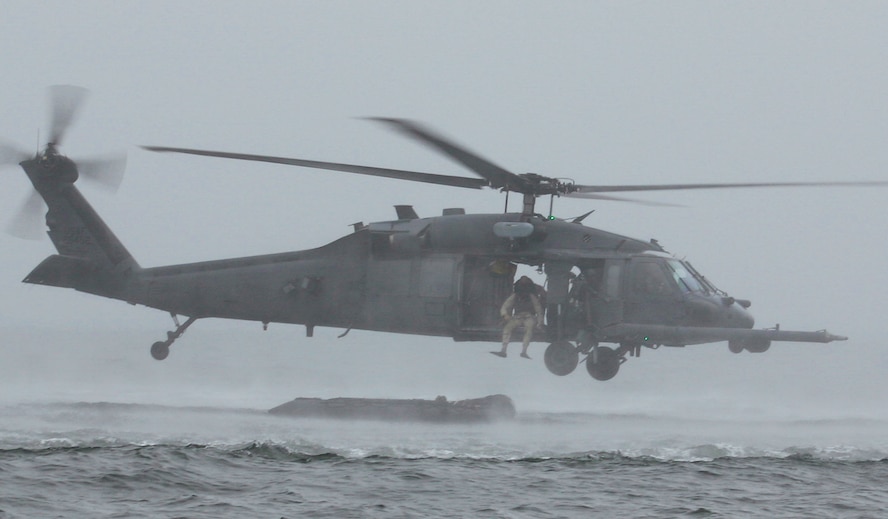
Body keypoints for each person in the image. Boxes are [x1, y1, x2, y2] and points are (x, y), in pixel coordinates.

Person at [491, 276, 543, 359]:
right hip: (517, 317)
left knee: (529, 329)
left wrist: (540, 323)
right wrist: (505, 315)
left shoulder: (532, 297)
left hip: (529, 317)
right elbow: (505, 306)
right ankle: (503, 350)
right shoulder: (515, 296)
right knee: (507, 328)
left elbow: (538, 310)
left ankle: (524, 351)